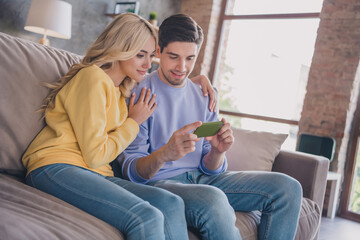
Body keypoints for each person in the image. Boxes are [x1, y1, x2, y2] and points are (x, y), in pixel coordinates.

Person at [21, 13, 215, 240]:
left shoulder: (121, 88)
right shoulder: (92, 78)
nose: (147, 64)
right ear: (120, 49)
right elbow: (95, 155)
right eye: (140, 55)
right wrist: (133, 122)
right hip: (56, 165)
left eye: (151, 56)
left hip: (96, 173)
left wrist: (195, 80)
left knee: (170, 202)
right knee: (147, 216)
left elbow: (166, 82)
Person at [119, 13, 303, 240]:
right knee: (213, 199)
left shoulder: (204, 95)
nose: (182, 67)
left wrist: (218, 151)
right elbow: (132, 171)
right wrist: (165, 153)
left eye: (190, 58)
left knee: (288, 189)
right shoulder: (141, 92)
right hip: (162, 184)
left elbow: (211, 168)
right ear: (158, 52)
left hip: (205, 180)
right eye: (173, 57)